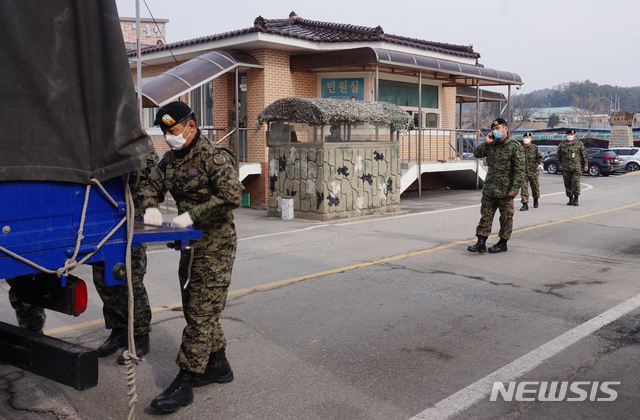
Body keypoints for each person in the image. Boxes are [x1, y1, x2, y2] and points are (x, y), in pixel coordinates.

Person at [139, 101, 243, 414]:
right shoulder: (170, 159)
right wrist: (151, 206)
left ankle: (185, 380)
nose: (169, 137)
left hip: (216, 244)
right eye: (165, 132)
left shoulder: (212, 156)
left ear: (191, 126)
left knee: (200, 313)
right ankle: (218, 364)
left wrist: (192, 215)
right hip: (191, 245)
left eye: (172, 131)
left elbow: (233, 194)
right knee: (195, 307)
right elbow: (150, 185)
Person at [92, 137, 158, 364]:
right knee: (103, 278)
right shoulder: (96, 134)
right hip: (101, 215)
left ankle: (140, 335)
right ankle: (118, 330)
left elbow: (151, 173)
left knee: (132, 279)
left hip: (131, 216)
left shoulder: (135, 136)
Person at [468, 118, 525, 254]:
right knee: (485, 216)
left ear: (505, 129)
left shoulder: (514, 146)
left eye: (498, 129)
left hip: (506, 190)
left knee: (506, 217)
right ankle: (481, 242)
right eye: (493, 129)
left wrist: (515, 188)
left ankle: (502, 242)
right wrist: (486, 143)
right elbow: (477, 154)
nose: (495, 131)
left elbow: (519, 169)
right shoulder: (491, 145)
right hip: (490, 188)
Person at [556, 129, 588, 206]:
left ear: (574, 135)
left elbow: (584, 154)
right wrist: (559, 164)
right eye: (569, 135)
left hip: (576, 167)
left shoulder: (579, 143)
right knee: (567, 183)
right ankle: (570, 198)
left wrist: (586, 164)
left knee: (576, 182)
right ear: (566, 135)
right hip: (565, 167)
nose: (570, 136)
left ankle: (576, 199)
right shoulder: (562, 144)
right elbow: (558, 156)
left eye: (571, 135)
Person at [519, 132, 544, 211]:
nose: (526, 139)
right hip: (523, 172)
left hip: (533, 171)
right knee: (524, 188)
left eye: (528, 137)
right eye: (525, 137)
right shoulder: (520, 149)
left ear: (531, 139)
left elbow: (540, 157)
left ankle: (535, 200)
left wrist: (540, 164)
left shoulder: (535, 148)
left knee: (535, 187)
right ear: (523, 139)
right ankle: (525, 204)